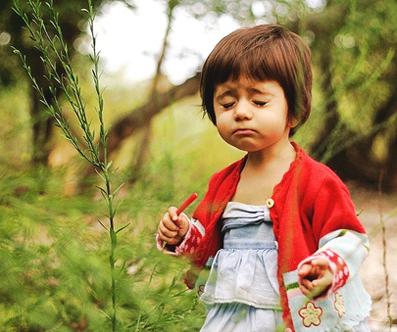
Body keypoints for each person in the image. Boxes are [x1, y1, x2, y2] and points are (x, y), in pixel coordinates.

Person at [156, 24, 372, 331]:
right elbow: (205, 244)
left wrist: (327, 264)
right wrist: (181, 234)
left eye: (258, 102)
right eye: (227, 103)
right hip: (233, 310)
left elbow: (349, 238)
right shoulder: (222, 182)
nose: (241, 112)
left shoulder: (315, 180)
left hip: (291, 313)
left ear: (294, 111)